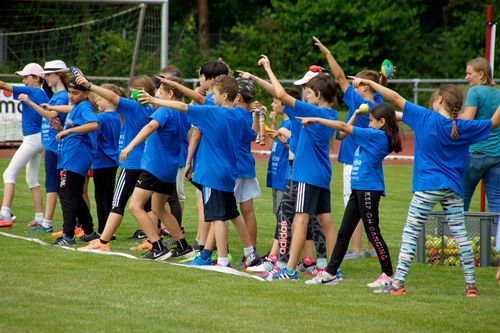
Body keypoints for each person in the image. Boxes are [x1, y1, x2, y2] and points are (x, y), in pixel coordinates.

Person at [351, 76, 500, 296]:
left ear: (439, 100)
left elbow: (394, 97)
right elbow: (494, 122)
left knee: (410, 234)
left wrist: (372, 84)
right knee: (461, 236)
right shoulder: (462, 126)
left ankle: (398, 283)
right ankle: (471, 286)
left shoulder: (425, 118)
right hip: (452, 188)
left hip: (426, 187)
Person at [139, 75, 258, 268]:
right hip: (229, 174)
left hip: (212, 175)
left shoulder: (212, 113)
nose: (211, 96)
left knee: (217, 217)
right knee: (233, 214)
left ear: (224, 95)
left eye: (214, 93)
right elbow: (249, 135)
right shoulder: (240, 115)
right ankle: (250, 252)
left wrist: (154, 100)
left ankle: (221, 260)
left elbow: (183, 107)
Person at [300, 103, 401, 286]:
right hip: (359, 189)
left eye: (371, 121)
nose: (369, 124)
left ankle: (388, 274)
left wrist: (315, 119)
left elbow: (343, 127)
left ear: (382, 122)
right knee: (344, 232)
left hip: (369, 190)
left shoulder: (377, 136)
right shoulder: (376, 133)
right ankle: (330, 273)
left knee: (373, 233)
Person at [258, 55, 338, 281]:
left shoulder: (314, 112)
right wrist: (259, 78)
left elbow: (282, 96)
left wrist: (269, 68)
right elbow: (280, 94)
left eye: (308, 92)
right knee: (326, 220)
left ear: (318, 95)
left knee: (300, 219)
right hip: (322, 174)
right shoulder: (329, 114)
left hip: (306, 174)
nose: (305, 94)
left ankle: (290, 269)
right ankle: (333, 268)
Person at [314, 36, 381, 259]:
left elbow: (340, 76)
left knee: (353, 205)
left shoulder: (357, 102)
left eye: (358, 83)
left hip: (354, 161)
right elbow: (376, 87)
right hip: (370, 161)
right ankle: (371, 248)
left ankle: (358, 249)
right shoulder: (378, 103)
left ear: (364, 87)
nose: (353, 84)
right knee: (368, 205)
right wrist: (373, 81)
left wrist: (327, 53)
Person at [74, 74, 156, 250]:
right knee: (147, 205)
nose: (130, 95)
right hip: (145, 163)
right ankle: (152, 240)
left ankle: (103, 241)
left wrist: (90, 85)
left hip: (132, 164)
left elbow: (112, 97)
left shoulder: (136, 107)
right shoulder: (151, 108)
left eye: (133, 92)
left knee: (118, 203)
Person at [118, 79, 193, 260]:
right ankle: (183, 246)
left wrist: (129, 146)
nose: (157, 96)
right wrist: (151, 100)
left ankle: (157, 246)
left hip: (155, 166)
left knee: (135, 206)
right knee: (159, 209)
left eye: (160, 93)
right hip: (170, 168)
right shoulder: (182, 112)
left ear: (170, 94)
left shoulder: (165, 111)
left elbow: (151, 126)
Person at [17, 60, 70, 233]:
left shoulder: (61, 96)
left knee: (55, 185)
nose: (45, 77)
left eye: (48, 74)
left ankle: (47, 223)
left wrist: (31, 103)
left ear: (59, 75)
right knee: (53, 185)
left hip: (56, 146)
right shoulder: (56, 95)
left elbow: (50, 115)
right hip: (52, 145)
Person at [0, 63, 48, 228]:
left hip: (33, 139)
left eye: (26, 77)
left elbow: (4, 85)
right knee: (32, 179)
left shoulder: (31, 91)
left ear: (37, 78)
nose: (23, 80)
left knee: (8, 174)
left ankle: (5, 213)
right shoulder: (42, 93)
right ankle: (40, 218)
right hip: (38, 138)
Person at [52, 77, 98, 246]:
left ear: (86, 94)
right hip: (70, 157)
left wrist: (66, 132)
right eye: (70, 92)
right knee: (75, 195)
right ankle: (89, 231)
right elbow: (77, 131)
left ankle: (68, 235)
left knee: (67, 196)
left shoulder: (85, 107)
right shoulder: (76, 107)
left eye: (75, 93)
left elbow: (93, 124)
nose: (71, 96)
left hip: (76, 159)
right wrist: (62, 130)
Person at [461, 57, 499, 217]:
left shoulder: (474, 91)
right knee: (496, 202)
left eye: (469, 73)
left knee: (461, 198)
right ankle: (495, 240)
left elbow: (468, 120)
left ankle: (453, 238)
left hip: (475, 153)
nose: (466, 77)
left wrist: (449, 119)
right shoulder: (498, 93)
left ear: (481, 75)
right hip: (497, 155)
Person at [90, 84, 122, 235]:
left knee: (100, 197)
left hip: (101, 161)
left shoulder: (101, 118)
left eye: (99, 99)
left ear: (109, 100)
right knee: (109, 196)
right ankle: (110, 229)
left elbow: (94, 137)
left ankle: (103, 229)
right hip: (113, 161)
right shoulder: (117, 118)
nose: (97, 102)